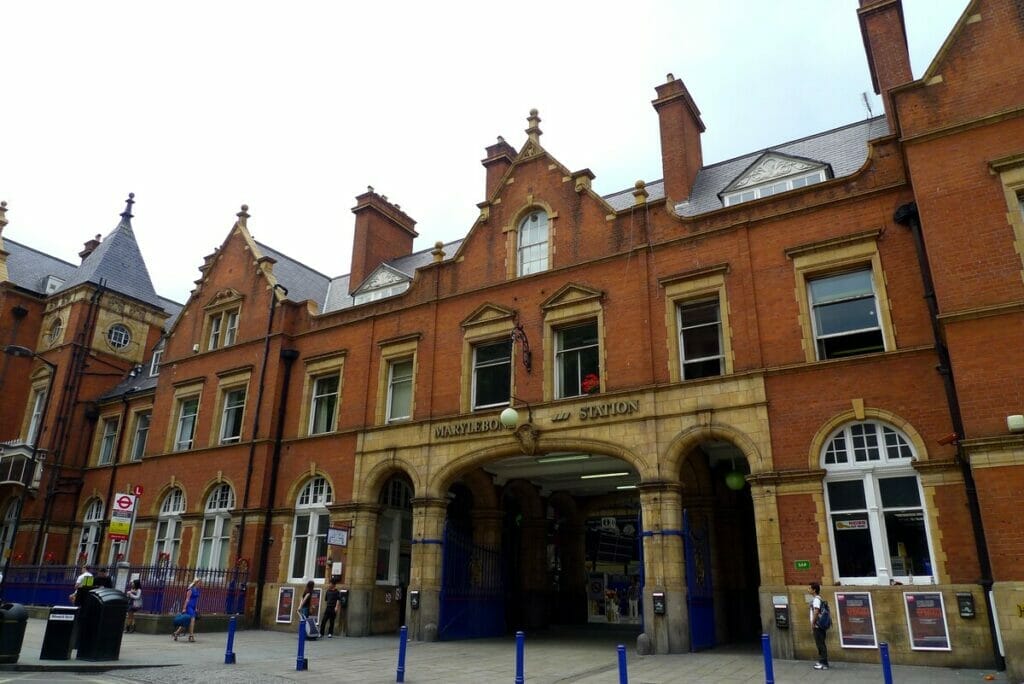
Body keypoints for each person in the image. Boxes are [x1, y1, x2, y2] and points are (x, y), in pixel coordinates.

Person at [173, 577, 201, 642]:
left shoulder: (197, 590)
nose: (200, 584)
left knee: (186, 622)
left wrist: (196, 607)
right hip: (189, 607)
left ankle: (176, 633)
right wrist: (184, 608)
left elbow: (196, 600)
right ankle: (191, 636)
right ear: (196, 583)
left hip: (193, 607)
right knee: (192, 620)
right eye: (199, 582)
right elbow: (187, 599)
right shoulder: (190, 590)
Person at [809, 582, 829, 670]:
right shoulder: (818, 598)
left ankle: (824, 663)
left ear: (814, 590)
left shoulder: (816, 600)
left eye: (810, 588)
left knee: (820, 644)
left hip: (818, 626)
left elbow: (816, 612)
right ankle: (821, 661)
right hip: (819, 625)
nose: (808, 590)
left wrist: (813, 623)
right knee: (820, 643)